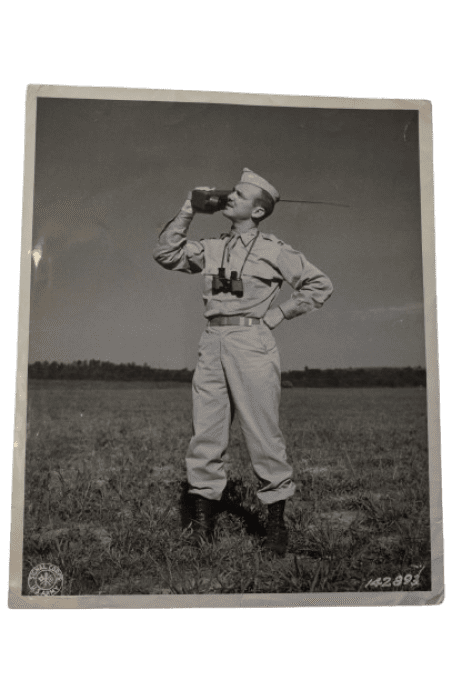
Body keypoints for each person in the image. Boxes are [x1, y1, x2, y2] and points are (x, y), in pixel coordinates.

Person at [153, 168, 333, 555]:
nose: (229, 196)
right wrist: (188, 209)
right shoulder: (212, 247)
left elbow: (319, 284)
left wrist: (279, 314)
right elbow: (166, 253)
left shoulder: (274, 249)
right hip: (212, 341)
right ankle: (202, 528)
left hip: (252, 342)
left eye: (239, 194)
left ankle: (275, 528)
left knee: (263, 434)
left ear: (258, 212)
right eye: (230, 192)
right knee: (206, 433)